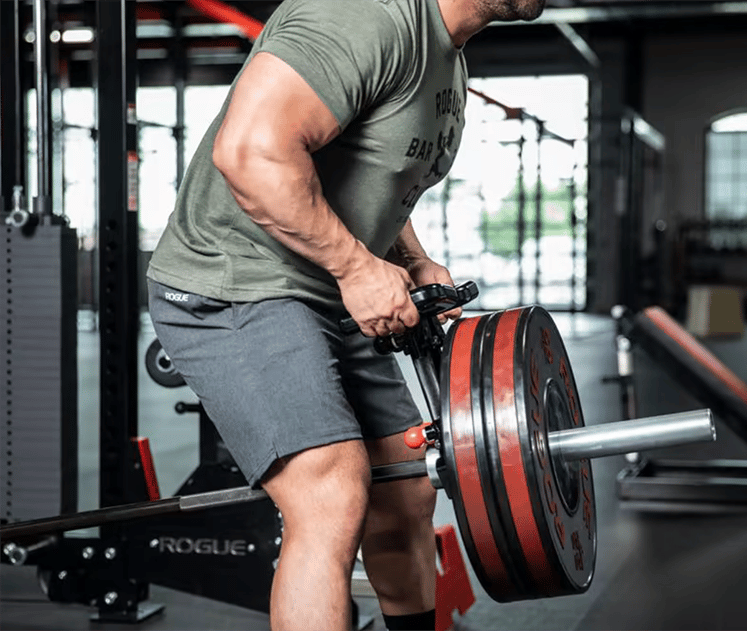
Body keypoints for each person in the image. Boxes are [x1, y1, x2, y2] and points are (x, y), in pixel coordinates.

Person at [146, 1, 547, 629]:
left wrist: (410, 260)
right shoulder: (363, 15)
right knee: (330, 494)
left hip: (327, 292)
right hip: (236, 283)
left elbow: (370, 174)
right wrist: (359, 270)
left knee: (403, 495)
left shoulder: (449, 55)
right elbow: (253, 153)